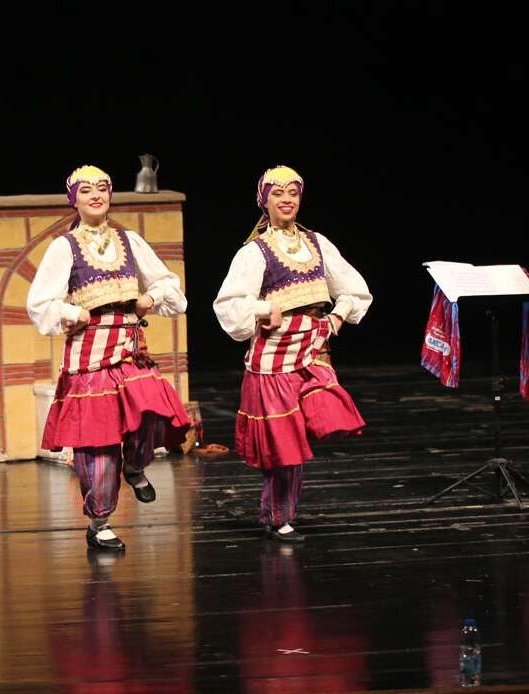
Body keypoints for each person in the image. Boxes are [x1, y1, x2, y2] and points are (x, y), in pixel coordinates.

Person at [26, 165, 192, 552]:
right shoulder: (64, 247)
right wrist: (73, 312)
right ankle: (99, 522)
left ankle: (134, 466)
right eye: (86, 190)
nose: (96, 195)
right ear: (74, 199)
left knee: (152, 415)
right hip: (90, 353)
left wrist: (150, 298)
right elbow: (40, 303)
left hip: (130, 349)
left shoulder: (129, 241)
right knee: (97, 442)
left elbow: (169, 284)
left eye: (102, 188)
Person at [212, 165, 372, 542]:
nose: (286, 200)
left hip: (313, 351)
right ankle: (279, 516)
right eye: (278, 193)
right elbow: (228, 305)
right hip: (273, 358)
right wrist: (263, 309)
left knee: (311, 428)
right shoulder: (255, 252)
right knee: (283, 442)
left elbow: (354, 289)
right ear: (264, 201)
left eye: (293, 193)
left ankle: (281, 513)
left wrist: (336, 318)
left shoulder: (317, 243)